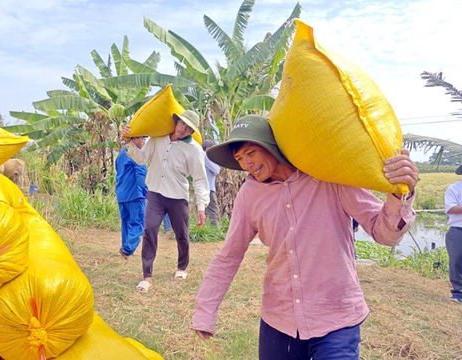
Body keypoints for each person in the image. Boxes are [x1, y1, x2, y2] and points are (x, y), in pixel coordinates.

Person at [190, 115, 419, 359]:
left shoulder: (328, 177)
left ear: (271, 146)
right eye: (239, 159)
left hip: (336, 316)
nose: (246, 163)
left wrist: (400, 195)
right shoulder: (249, 195)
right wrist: (205, 311)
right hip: (280, 318)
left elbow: (383, 233)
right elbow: (229, 255)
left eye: (251, 153)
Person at [120, 109, 209, 292]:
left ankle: (182, 267)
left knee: (181, 234)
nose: (184, 128)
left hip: (178, 197)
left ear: (193, 132)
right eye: (183, 123)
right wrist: (129, 143)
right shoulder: (158, 138)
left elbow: (200, 179)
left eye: (189, 127)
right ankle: (147, 276)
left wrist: (201, 206)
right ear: (177, 121)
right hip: (155, 193)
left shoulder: (194, 150)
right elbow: (142, 158)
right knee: (150, 230)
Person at [115, 136, 148, 259]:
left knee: (126, 222)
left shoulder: (121, 154)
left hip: (122, 194)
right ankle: (127, 249)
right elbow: (141, 177)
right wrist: (146, 193)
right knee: (139, 222)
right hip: (135, 194)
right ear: (134, 139)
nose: (143, 142)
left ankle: (126, 247)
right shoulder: (137, 155)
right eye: (142, 139)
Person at [444, 164, 462, 303]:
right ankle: (458, 293)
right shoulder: (454, 188)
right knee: (456, 261)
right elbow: (451, 208)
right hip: (457, 229)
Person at [202, 140, 221, 226]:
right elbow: (217, 170)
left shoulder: (203, 156)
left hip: (205, 187)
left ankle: (207, 229)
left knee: (206, 210)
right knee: (213, 209)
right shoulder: (206, 155)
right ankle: (215, 230)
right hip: (209, 188)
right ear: (207, 148)